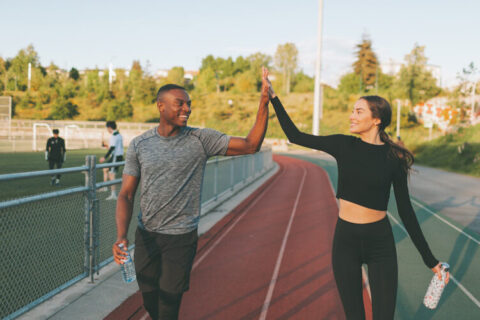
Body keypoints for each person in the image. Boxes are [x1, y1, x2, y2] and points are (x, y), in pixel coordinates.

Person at [266, 80, 449, 320]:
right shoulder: (343, 145)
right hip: (345, 242)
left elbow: (406, 212)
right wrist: (274, 97)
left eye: (358, 111)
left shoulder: (394, 158)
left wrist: (431, 261)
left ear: (376, 120)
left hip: (380, 243)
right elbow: (295, 135)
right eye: (352, 111)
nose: (352, 116)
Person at [112, 68, 270, 320]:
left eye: (189, 104)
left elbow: (251, 145)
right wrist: (121, 236)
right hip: (146, 236)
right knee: (150, 298)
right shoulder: (140, 145)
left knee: (168, 306)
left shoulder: (201, 139)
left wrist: (263, 103)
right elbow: (126, 195)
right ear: (160, 106)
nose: (186, 109)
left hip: (180, 238)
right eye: (180, 104)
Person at [100, 121, 124, 200]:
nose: (107, 130)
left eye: (107, 128)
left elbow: (113, 148)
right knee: (105, 169)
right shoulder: (118, 134)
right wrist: (107, 146)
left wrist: (104, 157)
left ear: (109, 128)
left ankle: (113, 194)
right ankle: (105, 187)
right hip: (117, 156)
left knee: (111, 174)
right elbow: (114, 147)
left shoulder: (114, 136)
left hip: (115, 157)